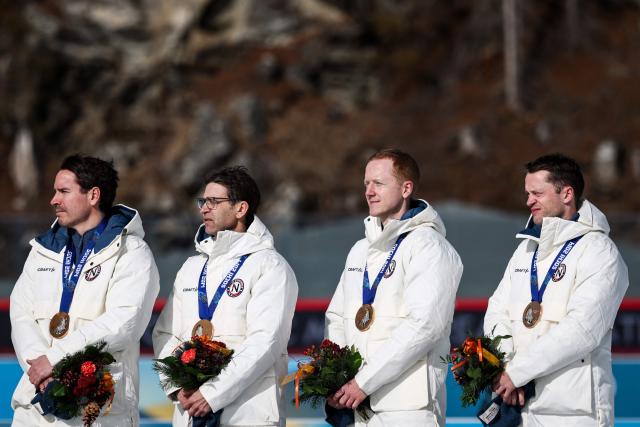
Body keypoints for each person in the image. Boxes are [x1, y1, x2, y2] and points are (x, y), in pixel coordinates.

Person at [10, 154, 160, 426]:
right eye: (55, 191)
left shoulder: (131, 253)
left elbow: (124, 322)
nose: (54, 200)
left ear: (93, 195)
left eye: (64, 191)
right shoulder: (43, 251)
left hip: (99, 410)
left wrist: (54, 360)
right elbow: (21, 315)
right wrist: (41, 371)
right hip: (34, 408)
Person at [484, 153, 629, 426]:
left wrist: (517, 373)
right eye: (527, 193)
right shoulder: (525, 250)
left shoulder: (599, 251)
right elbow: (497, 310)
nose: (529, 201)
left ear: (567, 194)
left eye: (537, 193)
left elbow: (583, 329)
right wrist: (504, 367)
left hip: (574, 413)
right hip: (520, 408)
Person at [325, 148, 463, 426]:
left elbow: (425, 325)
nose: (369, 191)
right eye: (366, 184)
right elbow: (337, 317)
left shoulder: (429, 246)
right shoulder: (359, 250)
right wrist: (337, 378)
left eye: (379, 183)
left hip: (408, 406)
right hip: (357, 402)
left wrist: (364, 381)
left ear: (405, 188)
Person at [152, 166, 298, 427]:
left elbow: (266, 341)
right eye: (202, 201)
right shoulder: (192, 267)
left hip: (248, 414)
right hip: (190, 411)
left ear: (241, 209)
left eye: (214, 201)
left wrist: (212, 393)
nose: (204, 208)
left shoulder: (270, 266)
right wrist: (177, 386)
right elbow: (164, 334)